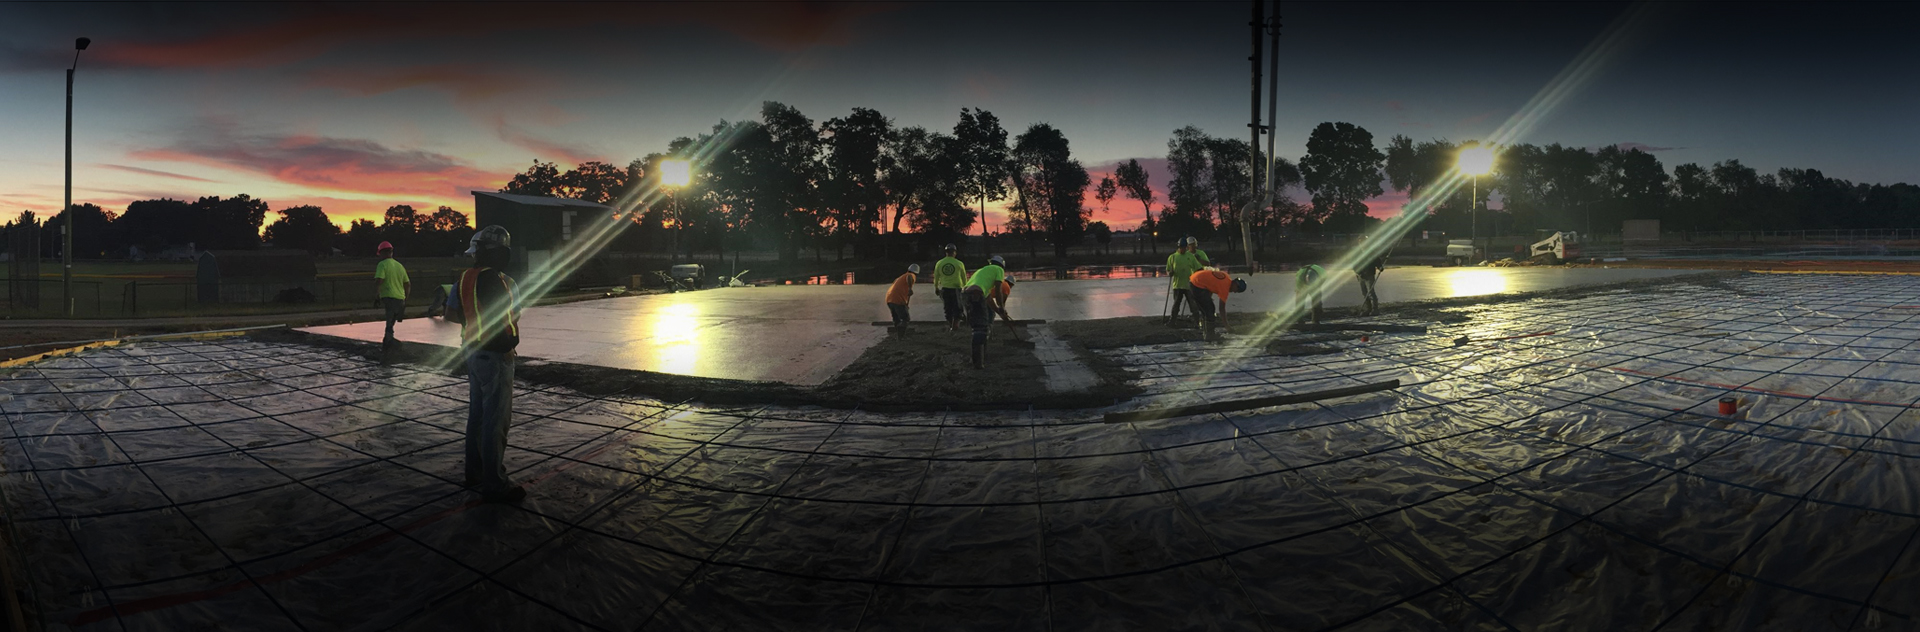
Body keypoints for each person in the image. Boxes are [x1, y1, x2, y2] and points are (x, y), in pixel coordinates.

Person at [445, 225, 525, 504]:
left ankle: (475, 472)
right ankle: (495, 483)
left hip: (472, 352)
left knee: (477, 415)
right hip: (496, 356)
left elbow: (452, 315)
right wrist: (503, 346)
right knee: (496, 420)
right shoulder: (505, 282)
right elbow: (509, 319)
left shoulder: (465, 279)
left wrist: (475, 324)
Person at [963, 255, 1008, 369]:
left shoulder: (982, 272)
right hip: (976, 293)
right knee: (981, 328)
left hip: (966, 294)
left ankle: (979, 358)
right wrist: (1002, 306)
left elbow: (988, 298)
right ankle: (978, 363)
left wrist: (998, 311)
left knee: (977, 325)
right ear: (1001, 265)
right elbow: (998, 289)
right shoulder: (999, 270)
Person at [1188, 269, 1249, 342]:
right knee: (1210, 310)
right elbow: (1221, 309)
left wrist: (1208, 298)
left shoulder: (1226, 277)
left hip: (1195, 279)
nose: (1234, 292)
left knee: (1206, 309)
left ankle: (1207, 332)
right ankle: (1210, 335)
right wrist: (1227, 326)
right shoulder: (1225, 288)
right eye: (1236, 290)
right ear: (1235, 284)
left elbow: (1211, 284)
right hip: (1197, 284)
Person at [373, 241, 410, 349]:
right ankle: (389, 341)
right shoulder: (400, 266)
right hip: (400, 298)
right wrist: (405, 299)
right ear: (391, 252)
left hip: (389, 296)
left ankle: (387, 343)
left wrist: (376, 295)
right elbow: (408, 284)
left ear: (382, 253)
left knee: (389, 319)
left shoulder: (382, 264)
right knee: (392, 319)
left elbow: (379, 280)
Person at [1164, 240, 1204, 323]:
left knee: (1193, 304)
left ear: (1186, 247)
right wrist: (1170, 273)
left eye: (1184, 247)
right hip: (1177, 285)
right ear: (1178, 247)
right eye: (1181, 247)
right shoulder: (1172, 257)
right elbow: (1168, 270)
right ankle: (1172, 321)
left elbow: (1199, 268)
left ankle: (1197, 321)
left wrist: (1198, 277)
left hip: (1189, 285)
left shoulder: (1190, 256)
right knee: (1176, 304)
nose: (1183, 249)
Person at [933, 244, 967, 331]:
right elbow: (964, 277)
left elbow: (936, 277)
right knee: (957, 309)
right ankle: (955, 326)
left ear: (946, 252)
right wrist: (965, 288)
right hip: (956, 289)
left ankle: (951, 326)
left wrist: (936, 287)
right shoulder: (959, 263)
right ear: (954, 252)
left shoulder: (939, 263)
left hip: (945, 289)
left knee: (948, 309)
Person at [1356, 241, 1387, 316]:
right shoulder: (1357, 254)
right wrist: (1359, 273)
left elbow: (1377, 262)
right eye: (1361, 242)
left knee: (1371, 292)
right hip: (1361, 276)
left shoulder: (1372, 253)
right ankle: (1368, 309)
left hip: (1369, 275)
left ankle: (1375, 309)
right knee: (1364, 293)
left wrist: (1380, 267)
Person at [886, 264, 919, 331]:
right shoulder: (911, 275)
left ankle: (897, 332)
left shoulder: (901, 277)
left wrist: (905, 304)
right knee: (905, 319)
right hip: (898, 299)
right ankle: (901, 333)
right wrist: (910, 288)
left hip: (889, 299)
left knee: (896, 318)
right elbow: (909, 277)